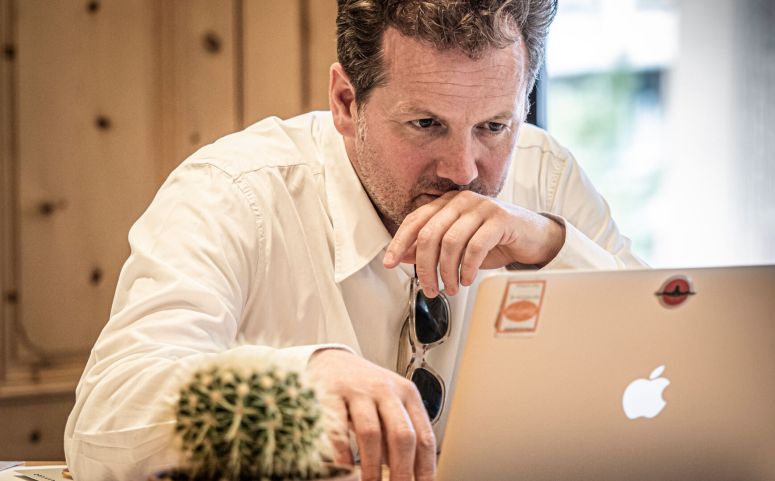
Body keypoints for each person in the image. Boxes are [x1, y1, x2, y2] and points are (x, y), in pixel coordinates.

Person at [64, 1, 645, 480]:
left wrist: (550, 246)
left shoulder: (545, 175)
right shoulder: (234, 194)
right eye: (426, 124)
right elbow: (103, 425)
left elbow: (664, 363)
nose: (465, 169)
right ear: (346, 103)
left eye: (494, 126)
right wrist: (298, 379)